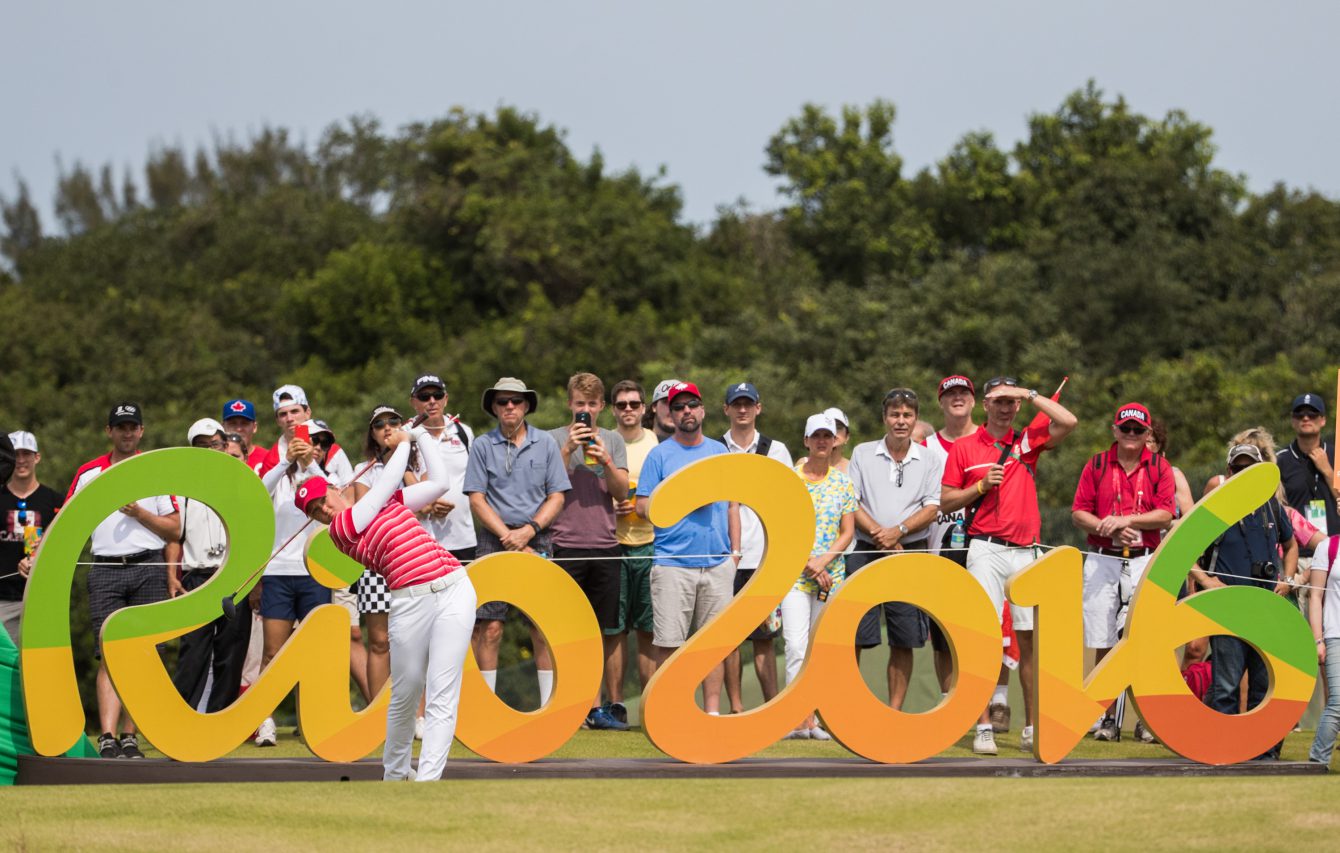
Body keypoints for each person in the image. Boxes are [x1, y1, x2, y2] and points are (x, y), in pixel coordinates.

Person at [299, 422, 475, 781]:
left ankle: (427, 781)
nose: (324, 511)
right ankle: (395, 772)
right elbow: (382, 488)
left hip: (455, 587)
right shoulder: (342, 530)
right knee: (406, 692)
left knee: (442, 691)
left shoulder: (386, 503)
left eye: (324, 501)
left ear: (336, 488)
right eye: (315, 511)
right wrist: (405, 440)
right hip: (409, 603)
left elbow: (439, 483)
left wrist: (422, 436)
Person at [940, 377, 1076, 755]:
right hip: (985, 548)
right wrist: (980, 488)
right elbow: (947, 501)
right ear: (985, 404)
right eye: (998, 401)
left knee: (1030, 640)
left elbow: (1069, 422)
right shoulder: (965, 447)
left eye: (1010, 402)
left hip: (1026, 551)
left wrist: (1031, 395)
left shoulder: (1026, 443)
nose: (1005, 407)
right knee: (981, 638)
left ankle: (1033, 726)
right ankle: (983, 724)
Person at [67, 403, 181, 759]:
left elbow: (175, 527)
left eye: (133, 427)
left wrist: (140, 513)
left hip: (148, 566)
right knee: (108, 652)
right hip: (104, 569)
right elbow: (65, 523)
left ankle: (130, 736)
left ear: (142, 432)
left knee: (147, 654)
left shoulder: (156, 470)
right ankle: (107, 735)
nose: (127, 433)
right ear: (109, 431)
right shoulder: (89, 473)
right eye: (121, 427)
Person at [1070, 403, 1175, 743]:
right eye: (1126, 429)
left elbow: (1164, 514)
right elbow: (1078, 513)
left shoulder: (1160, 467)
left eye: (1138, 431)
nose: (1132, 436)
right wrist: (1109, 528)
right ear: (1115, 430)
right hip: (1103, 557)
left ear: (1148, 434)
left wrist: (1126, 520)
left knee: (1145, 639)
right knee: (1101, 639)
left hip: (1144, 558)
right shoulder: (1096, 464)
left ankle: (1147, 717)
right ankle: (1104, 716)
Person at [635, 382, 741, 715]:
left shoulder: (719, 451)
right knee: (668, 644)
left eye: (692, 405)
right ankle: (673, 712)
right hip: (672, 563)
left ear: (703, 409)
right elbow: (641, 507)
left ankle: (710, 714)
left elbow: (733, 505)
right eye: (678, 407)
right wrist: (681, 497)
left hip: (717, 562)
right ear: (669, 412)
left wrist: (735, 553)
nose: (686, 412)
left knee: (712, 646)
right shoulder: (659, 454)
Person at [463, 377, 569, 706]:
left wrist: (529, 530)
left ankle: (547, 706)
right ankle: (486, 708)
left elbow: (557, 496)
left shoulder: (546, 443)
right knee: (490, 625)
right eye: (503, 402)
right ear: (494, 407)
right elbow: (477, 499)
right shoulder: (482, 445)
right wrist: (508, 537)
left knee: (541, 626)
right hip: (493, 539)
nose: (510, 406)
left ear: (526, 406)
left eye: (516, 401)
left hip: (538, 538)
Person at [1190, 440, 1296, 759]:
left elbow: (1290, 546)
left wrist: (1288, 579)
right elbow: (1183, 553)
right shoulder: (1215, 508)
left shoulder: (1272, 507)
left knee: (1264, 686)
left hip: (1266, 609)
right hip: (1228, 609)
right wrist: (1207, 581)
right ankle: (1220, 750)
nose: (1245, 473)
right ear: (1229, 471)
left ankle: (1262, 753)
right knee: (1226, 686)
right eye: (1239, 468)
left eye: (1252, 468)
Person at [922, 374, 1014, 729]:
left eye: (963, 394)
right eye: (950, 394)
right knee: (944, 636)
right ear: (941, 402)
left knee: (995, 626)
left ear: (976, 401)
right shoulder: (927, 446)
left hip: (983, 543)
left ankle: (998, 700)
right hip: (940, 544)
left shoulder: (990, 439)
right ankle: (952, 706)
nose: (957, 399)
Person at [847, 388, 941, 711]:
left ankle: (894, 712)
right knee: (854, 633)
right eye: (894, 415)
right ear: (884, 417)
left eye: (907, 415)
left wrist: (898, 531)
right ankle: (849, 706)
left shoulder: (929, 458)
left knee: (905, 638)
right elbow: (852, 502)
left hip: (910, 551)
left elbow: (932, 507)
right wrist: (880, 534)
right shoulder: (862, 452)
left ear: (915, 418)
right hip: (866, 548)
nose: (900, 421)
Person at [254, 385, 337, 746]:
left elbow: (332, 497)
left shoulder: (324, 454)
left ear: (307, 412)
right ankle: (265, 720)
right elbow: (258, 493)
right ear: (277, 420)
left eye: (295, 412)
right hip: (277, 571)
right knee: (272, 651)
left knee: (317, 650)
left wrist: (308, 460)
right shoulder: (271, 460)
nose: (290, 419)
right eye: (283, 414)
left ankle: (315, 719)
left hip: (314, 569)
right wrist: (287, 459)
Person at [548, 373, 630, 730]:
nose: (585, 411)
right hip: (564, 544)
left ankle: (598, 707)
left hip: (606, 544)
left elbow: (622, 492)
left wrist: (605, 460)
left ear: (602, 407)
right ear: (570, 405)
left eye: (592, 405)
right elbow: (544, 485)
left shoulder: (612, 439)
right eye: (579, 404)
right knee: (566, 630)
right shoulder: (551, 439)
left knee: (604, 631)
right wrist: (568, 449)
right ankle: (568, 704)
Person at [407, 372, 478, 736]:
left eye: (437, 396)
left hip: (463, 540)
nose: (431, 402)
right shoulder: (406, 435)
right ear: (414, 403)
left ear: (446, 399)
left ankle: (453, 712)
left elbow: (478, 483)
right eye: (424, 396)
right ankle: (418, 715)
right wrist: (425, 501)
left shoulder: (463, 433)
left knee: (459, 628)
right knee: (421, 632)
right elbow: (398, 475)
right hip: (421, 542)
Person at [167, 419, 250, 713]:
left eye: (214, 444)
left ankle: (219, 719)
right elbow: (175, 535)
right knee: (193, 652)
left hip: (234, 576)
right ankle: (181, 718)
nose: (210, 450)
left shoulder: (241, 480)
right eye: (202, 446)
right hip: (196, 575)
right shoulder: (183, 486)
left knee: (231, 653)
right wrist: (171, 576)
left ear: (224, 444)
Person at [784, 413, 857, 739]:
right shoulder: (791, 480)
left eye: (828, 436)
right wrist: (809, 564)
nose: (823, 442)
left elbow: (847, 532)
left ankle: (818, 717)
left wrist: (823, 562)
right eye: (817, 437)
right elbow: (784, 529)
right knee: (796, 645)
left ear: (836, 440)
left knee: (822, 649)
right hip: (795, 576)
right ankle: (797, 718)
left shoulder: (843, 481)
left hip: (832, 576)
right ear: (806, 441)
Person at [720, 382, 790, 714]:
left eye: (749, 404)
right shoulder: (715, 448)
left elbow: (786, 500)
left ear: (758, 408)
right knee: (728, 639)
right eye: (737, 404)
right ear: (727, 409)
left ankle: (770, 709)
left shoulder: (776, 450)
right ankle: (735, 708)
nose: (743, 409)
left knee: (765, 638)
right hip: (726, 557)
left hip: (764, 557)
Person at [351, 407, 420, 707]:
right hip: (376, 562)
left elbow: (422, 501)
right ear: (372, 434)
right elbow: (368, 511)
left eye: (393, 422)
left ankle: (418, 715)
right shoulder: (362, 470)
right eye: (379, 425)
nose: (387, 428)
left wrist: (402, 462)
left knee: (415, 642)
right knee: (380, 641)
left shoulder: (418, 466)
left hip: (414, 560)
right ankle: (379, 714)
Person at [609, 380, 658, 720]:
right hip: (612, 545)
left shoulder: (656, 444)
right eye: (622, 404)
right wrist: (610, 508)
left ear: (644, 409)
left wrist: (644, 505)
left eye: (634, 404)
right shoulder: (605, 442)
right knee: (613, 632)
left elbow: (667, 495)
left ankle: (650, 708)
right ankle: (614, 707)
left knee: (649, 631)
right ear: (613, 409)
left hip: (650, 545)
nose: (628, 409)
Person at [2, 431, 63, 645]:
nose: (20, 460)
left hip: (40, 599)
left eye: (26, 454)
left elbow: (63, 546)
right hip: (3, 599)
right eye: (16, 454)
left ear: (37, 457)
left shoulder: (55, 499)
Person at [1277, 393, 1338, 554]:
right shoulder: (1280, 460)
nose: (1305, 418)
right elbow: (1277, 509)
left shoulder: (1337, 455)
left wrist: (1328, 471)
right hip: (1297, 553)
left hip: (1335, 551)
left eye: (1312, 414)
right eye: (1299, 414)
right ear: (1293, 420)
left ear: (1323, 420)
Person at [1307, 533, 1340, 764]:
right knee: (1338, 702)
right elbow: (1315, 596)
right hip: (1335, 635)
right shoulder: (1328, 547)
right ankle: (1318, 762)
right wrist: (1318, 640)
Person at [222, 398, 268, 472]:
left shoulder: (267, 458)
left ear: (254, 427)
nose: (238, 429)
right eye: (233, 423)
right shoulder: (216, 456)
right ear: (223, 427)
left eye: (244, 423)